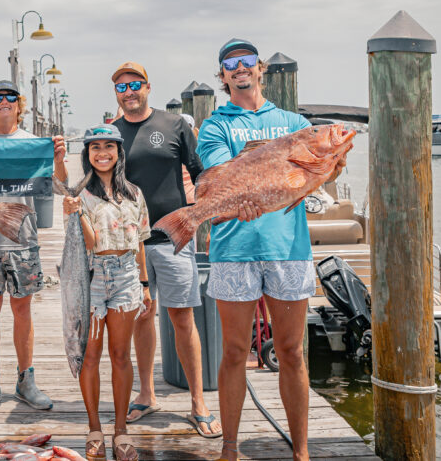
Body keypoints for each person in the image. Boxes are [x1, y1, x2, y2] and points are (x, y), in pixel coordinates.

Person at [198, 38, 345, 461]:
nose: (239, 68)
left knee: (292, 352)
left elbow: (314, 177)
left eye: (247, 61)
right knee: (232, 352)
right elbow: (221, 176)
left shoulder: (295, 122)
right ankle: (229, 448)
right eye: (230, 63)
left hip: (288, 248)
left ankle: (301, 450)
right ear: (223, 75)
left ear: (260, 68)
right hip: (233, 248)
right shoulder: (214, 125)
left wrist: (333, 162)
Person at [111, 62, 221, 438]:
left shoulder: (175, 125)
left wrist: (200, 215)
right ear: (117, 94)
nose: (129, 91)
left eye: (135, 84)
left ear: (147, 87)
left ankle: (197, 402)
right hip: (131, 245)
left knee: (183, 319)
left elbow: (200, 171)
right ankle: (146, 393)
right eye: (122, 87)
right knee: (143, 316)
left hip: (174, 241)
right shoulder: (111, 133)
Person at [0, 80, 68, 415]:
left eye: (11, 97)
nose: (4, 101)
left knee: (23, 310)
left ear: (19, 104)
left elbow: (61, 185)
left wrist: (57, 157)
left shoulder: (32, 143)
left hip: (24, 240)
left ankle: (26, 380)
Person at [62, 124, 151, 461]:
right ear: (86, 153)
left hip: (127, 275)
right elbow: (90, 243)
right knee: (89, 353)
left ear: (119, 151)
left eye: (108, 146)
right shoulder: (79, 194)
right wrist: (76, 214)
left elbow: (141, 242)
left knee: (120, 355)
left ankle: (121, 430)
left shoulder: (134, 193)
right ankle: (95, 427)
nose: (102, 153)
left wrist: (144, 284)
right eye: (94, 147)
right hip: (92, 276)